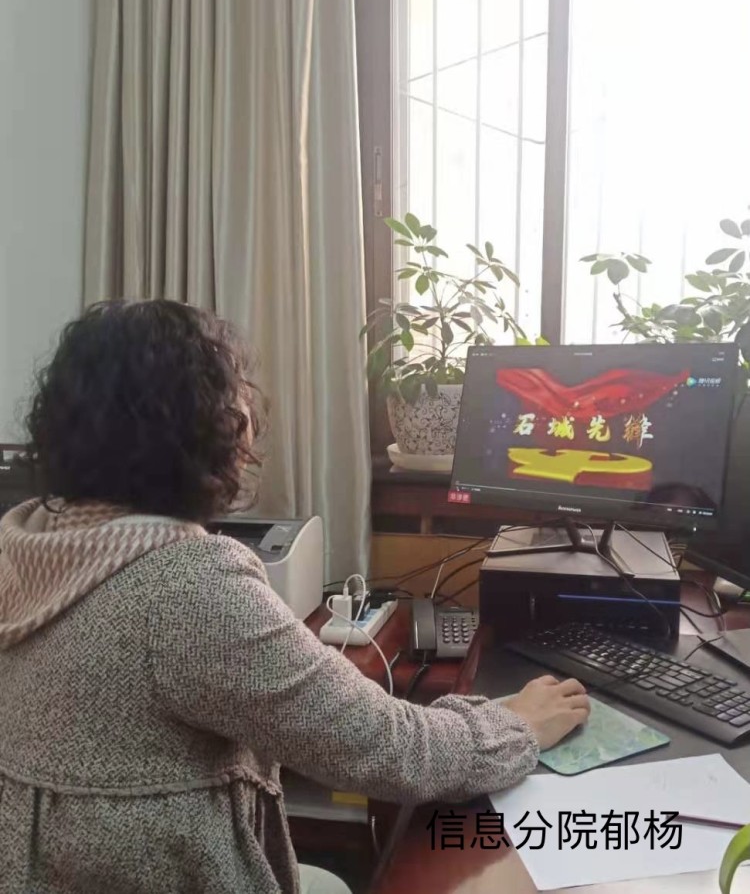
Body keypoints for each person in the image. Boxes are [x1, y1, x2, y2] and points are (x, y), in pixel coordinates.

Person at [0, 301, 590, 894]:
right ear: (209, 429)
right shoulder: (186, 587)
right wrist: (515, 726)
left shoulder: (26, 545)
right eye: (237, 402)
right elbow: (390, 750)